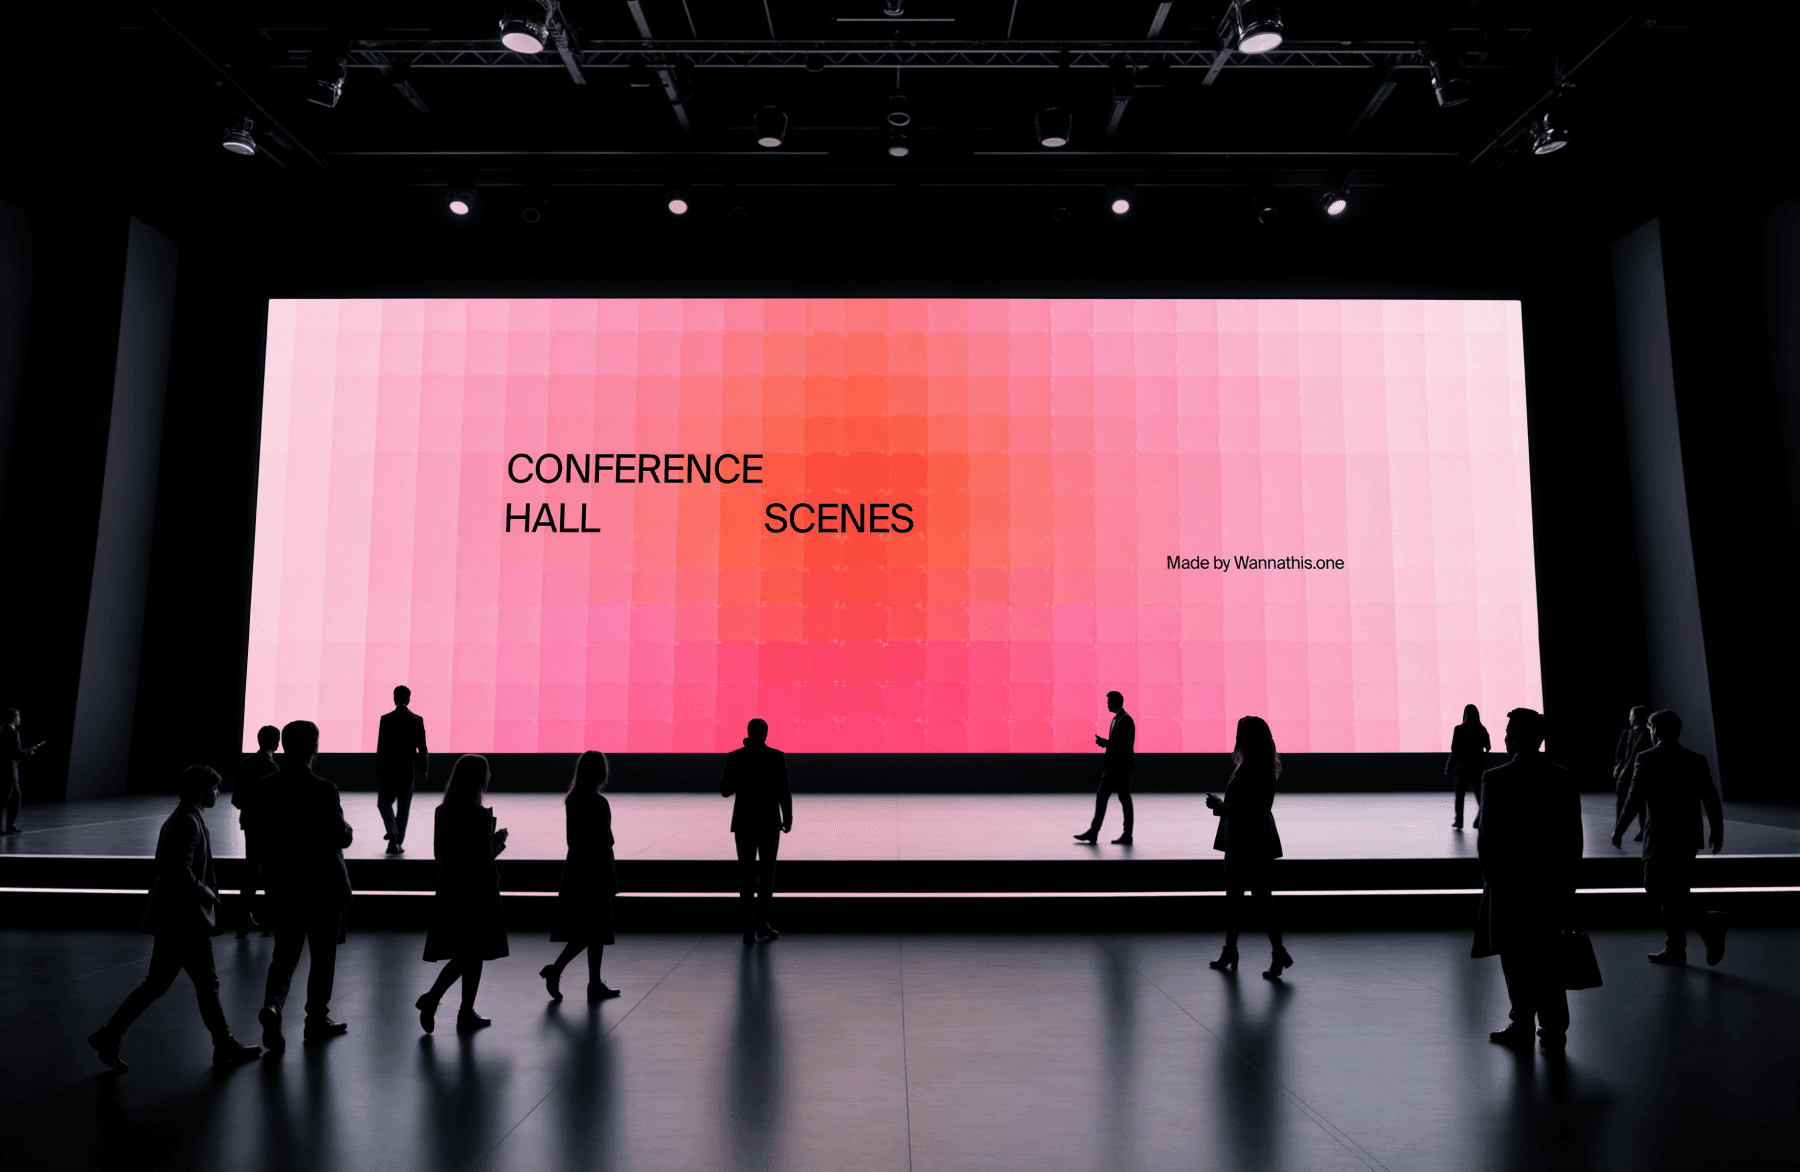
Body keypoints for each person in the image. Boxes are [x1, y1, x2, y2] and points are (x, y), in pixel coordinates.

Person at [86, 766, 261, 1071]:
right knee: (204, 985)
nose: (217, 792)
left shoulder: (185, 818)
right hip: (185, 919)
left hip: (175, 917)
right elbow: (179, 870)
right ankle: (223, 1044)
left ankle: (109, 1035)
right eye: (214, 788)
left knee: (161, 984)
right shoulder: (187, 822)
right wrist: (208, 894)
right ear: (201, 791)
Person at [1472, 707, 1582, 1051]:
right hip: (1550, 885)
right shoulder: (1563, 777)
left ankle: (1521, 1024)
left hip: (1510, 885)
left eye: (1507, 731)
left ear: (1514, 738)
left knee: (1516, 958)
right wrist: (1567, 886)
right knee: (1548, 957)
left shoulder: (1497, 778)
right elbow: (1572, 839)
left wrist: (1491, 877)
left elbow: (1488, 837)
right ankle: (1554, 1030)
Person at [258, 720, 354, 1049]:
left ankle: (273, 1006)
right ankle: (315, 1019)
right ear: (315, 749)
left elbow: (263, 840)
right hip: (323, 885)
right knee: (322, 956)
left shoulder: (267, 786)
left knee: (284, 957)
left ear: (284, 746)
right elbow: (340, 835)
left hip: (284, 884)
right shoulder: (324, 788)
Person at [1612, 709, 1728, 966]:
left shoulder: (1646, 758)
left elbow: (1633, 800)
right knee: (1677, 889)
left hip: (1660, 838)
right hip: (1687, 837)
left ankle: (1709, 923)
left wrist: (1619, 830)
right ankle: (1675, 949)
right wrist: (1716, 833)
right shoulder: (1695, 759)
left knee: (1656, 886)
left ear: (1654, 731)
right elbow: (1711, 799)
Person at [417, 754, 509, 1032]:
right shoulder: (480, 814)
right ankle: (440, 1000)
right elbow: (484, 857)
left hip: (451, 889)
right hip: (477, 893)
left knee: (467, 952)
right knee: (473, 952)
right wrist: (498, 841)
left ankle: (452, 1006)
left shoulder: (442, 811)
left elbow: (439, 855)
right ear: (481, 778)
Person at [1205, 716, 1293, 979]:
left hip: (1252, 844)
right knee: (1237, 901)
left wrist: (1222, 808)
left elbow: (1256, 809)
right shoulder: (1253, 763)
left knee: (1261, 901)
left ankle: (1276, 953)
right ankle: (1236, 950)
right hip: (1242, 842)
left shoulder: (1259, 766)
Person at [540, 750, 621, 1002]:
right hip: (596, 872)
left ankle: (589, 981)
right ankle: (562, 972)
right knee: (593, 932)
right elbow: (606, 839)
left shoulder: (572, 798)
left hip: (577, 869)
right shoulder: (599, 803)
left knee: (589, 932)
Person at [721, 718, 792, 944]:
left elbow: (725, 790)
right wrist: (787, 817)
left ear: (748, 733)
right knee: (766, 876)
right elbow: (784, 790)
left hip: (744, 823)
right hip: (769, 823)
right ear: (766, 734)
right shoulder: (776, 756)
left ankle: (749, 929)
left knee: (746, 877)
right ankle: (762, 924)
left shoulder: (736, 757)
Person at [230, 725, 281, 937]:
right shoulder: (274, 769)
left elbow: (237, 799)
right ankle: (271, 920)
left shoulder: (244, 765)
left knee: (251, 869)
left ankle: (243, 916)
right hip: (269, 826)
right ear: (277, 743)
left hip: (250, 823)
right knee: (271, 871)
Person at [1074, 691, 1136, 845]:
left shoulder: (1125, 720)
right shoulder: (1117, 719)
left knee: (1123, 799)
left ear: (1116, 701)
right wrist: (1107, 744)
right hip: (1113, 767)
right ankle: (1095, 832)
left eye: (1109, 701)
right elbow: (1118, 743)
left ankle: (1125, 833)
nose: (1107, 704)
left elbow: (1124, 745)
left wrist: (1106, 743)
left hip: (1120, 768)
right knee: (1109, 798)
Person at [376, 685, 429, 855]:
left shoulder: (385, 719)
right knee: (403, 808)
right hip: (408, 770)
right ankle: (395, 843)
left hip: (389, 769)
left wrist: (378, 768)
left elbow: (381, 748)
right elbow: (422, 748)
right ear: (409, 699)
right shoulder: (416, 719)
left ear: (394, 698)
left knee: (384, 802)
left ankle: (392, 832)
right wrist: (424, 768)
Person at [1446, 704, 1491, 830]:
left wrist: (1449, 767)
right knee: (1479, 794)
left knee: (1459, 795)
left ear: (1465, 714)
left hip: (1463, 767)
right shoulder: (1482, 729)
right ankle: (1480, 818)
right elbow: (1488, 747)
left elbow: (1454, 749)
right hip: (1478, 767)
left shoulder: (1459, 729)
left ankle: (1459, 820)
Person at [1612, 706, 1652, 843]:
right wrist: (1617, 766)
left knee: (1640, 806)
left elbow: (1634, 755)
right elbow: (1620, 752)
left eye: (1631, 715)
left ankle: (1635, 831)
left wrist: (1623, 772)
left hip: (1635, 775)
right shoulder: (1626, 732)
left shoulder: (1645, 734)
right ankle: (1618, 830)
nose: (1629, 717)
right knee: (1626, 804)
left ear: (1635, 717)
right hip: (1625, 774)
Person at [2, 708, 44, 835]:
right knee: (5, 800)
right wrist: (29, 752)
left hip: (6, 770)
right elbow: (17, 753)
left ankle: (10, 825)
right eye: (19, 717)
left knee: (15, 797)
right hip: (9, 771)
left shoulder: (2, 729)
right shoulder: (14, 733)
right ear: (14, 718)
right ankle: (7, 826)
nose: (20, 719)